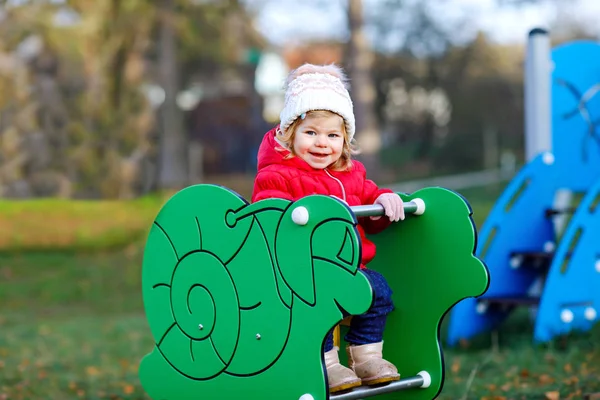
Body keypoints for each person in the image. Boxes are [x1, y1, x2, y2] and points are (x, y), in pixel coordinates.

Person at [251, 63, 404, 393]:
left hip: (349, 267)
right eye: (311, 133)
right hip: (299, 274)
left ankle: (366, 357)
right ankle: (326, 363)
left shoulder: (352, 173)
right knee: (317, 307)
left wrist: (384, 202)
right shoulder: (277, 175)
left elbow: (370, 205)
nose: (322, 143)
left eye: (333, 135)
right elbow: (269, 217)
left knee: (378, 291)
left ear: (345, 139)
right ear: (289, 134)